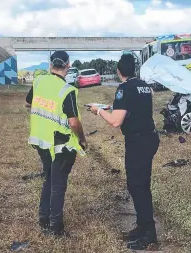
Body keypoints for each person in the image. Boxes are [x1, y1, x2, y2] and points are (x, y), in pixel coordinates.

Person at [90, 54, 160, 250]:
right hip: (149, 138)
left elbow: (115, 121)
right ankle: (143, 226)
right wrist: (111, 107)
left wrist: (98, 111)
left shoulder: (124, 89)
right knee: (141, 185)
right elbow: (135, 107)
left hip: (138, 142)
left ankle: (148, 233)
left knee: (138, 187)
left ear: (119, 71)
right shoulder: (144, 85)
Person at [25, 50, 88, 237]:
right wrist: (83, 140)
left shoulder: (38, 82)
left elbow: (28, 104)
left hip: (41, 141)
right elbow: (73, 122)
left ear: (50, 64)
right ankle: (56, 228)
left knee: (49, 180)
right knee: (58, 185)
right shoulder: (67, 90)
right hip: (60, 145)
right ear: (68, 65)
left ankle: (43, 219)